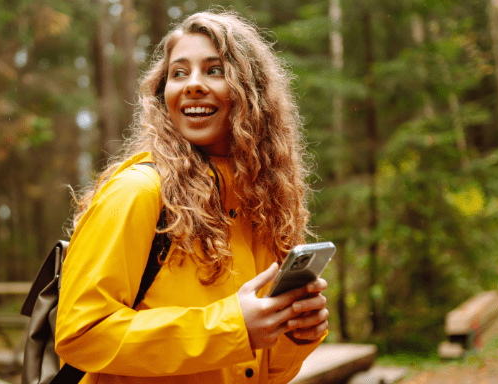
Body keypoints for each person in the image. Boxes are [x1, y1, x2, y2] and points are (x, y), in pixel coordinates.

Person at [55, 10, 329, 383]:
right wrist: (232, 328)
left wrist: (295, 333)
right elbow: (80, 335)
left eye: (214, 70)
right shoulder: (138, 192)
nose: (192, 85)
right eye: (178, 73)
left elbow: (261, 373)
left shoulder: (264, 204)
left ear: (254, 92)